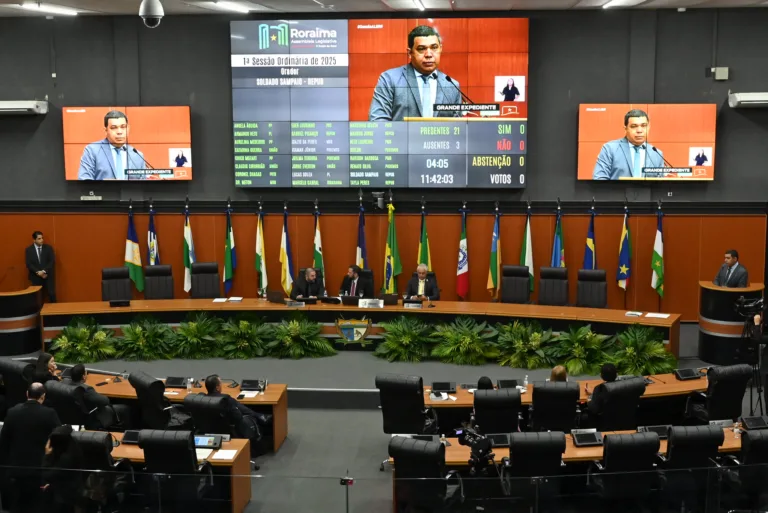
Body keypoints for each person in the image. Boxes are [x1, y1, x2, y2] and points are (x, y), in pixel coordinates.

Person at [368, 25, 462, 121]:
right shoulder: (389, 79)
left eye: (434, 48)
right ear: (410, 53)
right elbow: (378, 121)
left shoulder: (452, 85)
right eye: (421, 49)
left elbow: (457, 127)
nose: (429, 54)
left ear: (440, 49)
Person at [0, 383, 61, 513]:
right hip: (39, 472)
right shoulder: (49, 414)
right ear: (43, 396)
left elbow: (3, 442)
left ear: (27, 394)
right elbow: (59, 440)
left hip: (16, 471)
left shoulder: (12, 412)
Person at [204, 375, 269, 467]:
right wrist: (257, 415)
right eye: (220, 383)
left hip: (208, 433)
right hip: (230, 431)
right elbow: (239, 416)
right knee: (250, 415)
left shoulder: (202, 400)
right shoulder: (226, 400)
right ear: (217, 387)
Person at [592, 109, 666, 180]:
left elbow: (660, 183)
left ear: (648, 127)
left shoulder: (656, 154)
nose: (639, 131)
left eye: (643, 126)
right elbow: (599, 178)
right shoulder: (610, 149)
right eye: (634, 126)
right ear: (626, 129)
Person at [77, 110, 147, 180]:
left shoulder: (137, 155)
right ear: (106, 130)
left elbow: (143, 186)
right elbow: (84, 180)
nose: (119, 132)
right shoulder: (92, 151)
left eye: (123, 127)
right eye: (114, 128)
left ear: (128, 129)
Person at [63, 364, 131, 429]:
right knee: (125, 408)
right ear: (83, 376)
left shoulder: (65, 384)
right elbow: (105, 401)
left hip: (72, 417)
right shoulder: (86, 390)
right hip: (94, 418)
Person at [41, 425, 84, 513]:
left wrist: (47, 456)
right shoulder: (72, 447)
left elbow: (46, 474)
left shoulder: (66, 458)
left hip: (63, 498)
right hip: (69, 489)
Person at [25, 231, 56, 303]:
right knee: (37, 297)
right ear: (34, 240)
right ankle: (38, 313)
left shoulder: (48, 248)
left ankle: (55, 312)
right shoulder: (29, 250)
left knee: (51, 294)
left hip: (47, 275)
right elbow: (28, 264)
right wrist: (38, 272)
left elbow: (51, 261)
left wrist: (44, 271)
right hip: (35, 277)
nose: (42, 240)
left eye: (42, 238)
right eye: (39, 238)